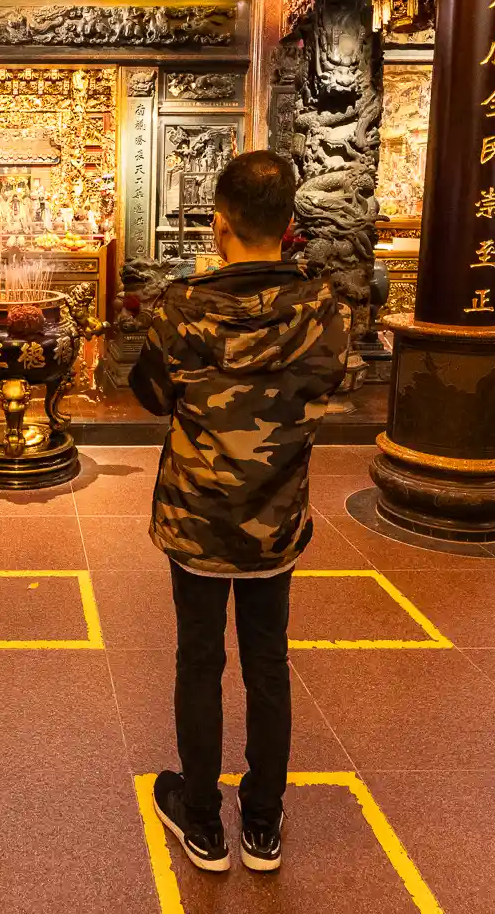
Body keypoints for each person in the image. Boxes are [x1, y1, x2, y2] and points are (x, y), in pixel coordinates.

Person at [129, 150, 349, 874]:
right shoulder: (323, 311)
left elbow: (154, 395)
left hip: (198, 517)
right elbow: (327, 391)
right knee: (267, 664)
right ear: (287, 227)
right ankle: (263, 823)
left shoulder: (184, 308)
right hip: (276, 518)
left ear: (219, 225)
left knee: (199, 660)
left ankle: (202, 823)